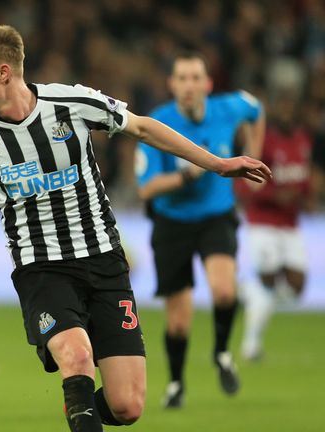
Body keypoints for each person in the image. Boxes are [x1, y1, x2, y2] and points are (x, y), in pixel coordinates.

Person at [0, 26, 270, 432]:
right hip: (42, 269)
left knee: (127, 405)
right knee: (76, 354)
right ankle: (79, 400)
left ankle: (79, 406)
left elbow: (141, 127)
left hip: (104, 260)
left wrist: (218, 164)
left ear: (3, 73)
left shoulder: (72, 102)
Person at [135, 52, 266, 408]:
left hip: (215, 217)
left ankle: (222, 353)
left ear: (208, 84)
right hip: (172, 222)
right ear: (172, 85)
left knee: (224, 291)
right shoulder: (157, 124)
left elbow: (256, 110)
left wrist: (254, 153)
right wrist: (184, 177)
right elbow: (145, 189)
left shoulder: (229, 108)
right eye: (182, 78)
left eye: (196, 78)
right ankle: (176, 383)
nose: (189, 85)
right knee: (179, 321)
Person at [236, 92, 313, 361]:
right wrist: (272, 196)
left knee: (297, 284)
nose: (288, 113)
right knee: (268, 279)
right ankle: (251, 346)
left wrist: (306, 194)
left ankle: (244, 292)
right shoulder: (264, 141)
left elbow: (303, 178)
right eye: (283, 106)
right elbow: (244, 181)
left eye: (292, 107)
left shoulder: (303, 139)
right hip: (263, 222)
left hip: (290, 224)